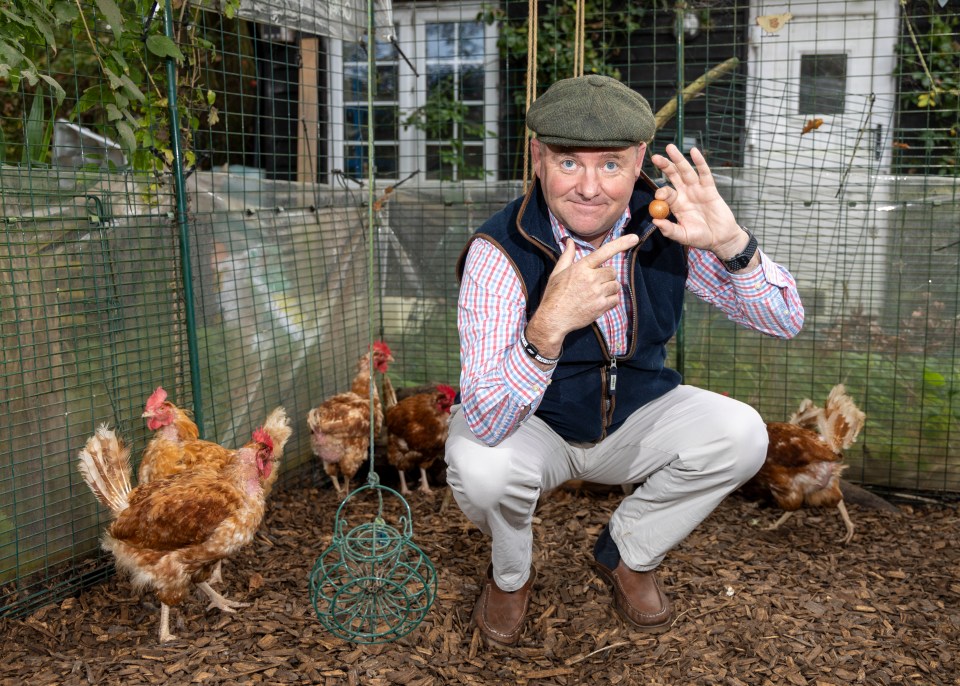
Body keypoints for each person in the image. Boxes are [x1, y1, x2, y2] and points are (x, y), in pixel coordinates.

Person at [444, 74, 804, 646]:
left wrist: (730, 241)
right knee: (483, 470)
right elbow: (486, 421)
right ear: (538, 158)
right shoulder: (499, 251)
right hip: (537, 429)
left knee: (742, 434)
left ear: (639, 160)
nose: (589, 188)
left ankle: (628, 552)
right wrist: (547, 327)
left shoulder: (664, 226)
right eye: (568, 163)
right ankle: (511, 575)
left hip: (635, 420)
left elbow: (784, 320)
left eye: (610, 164)